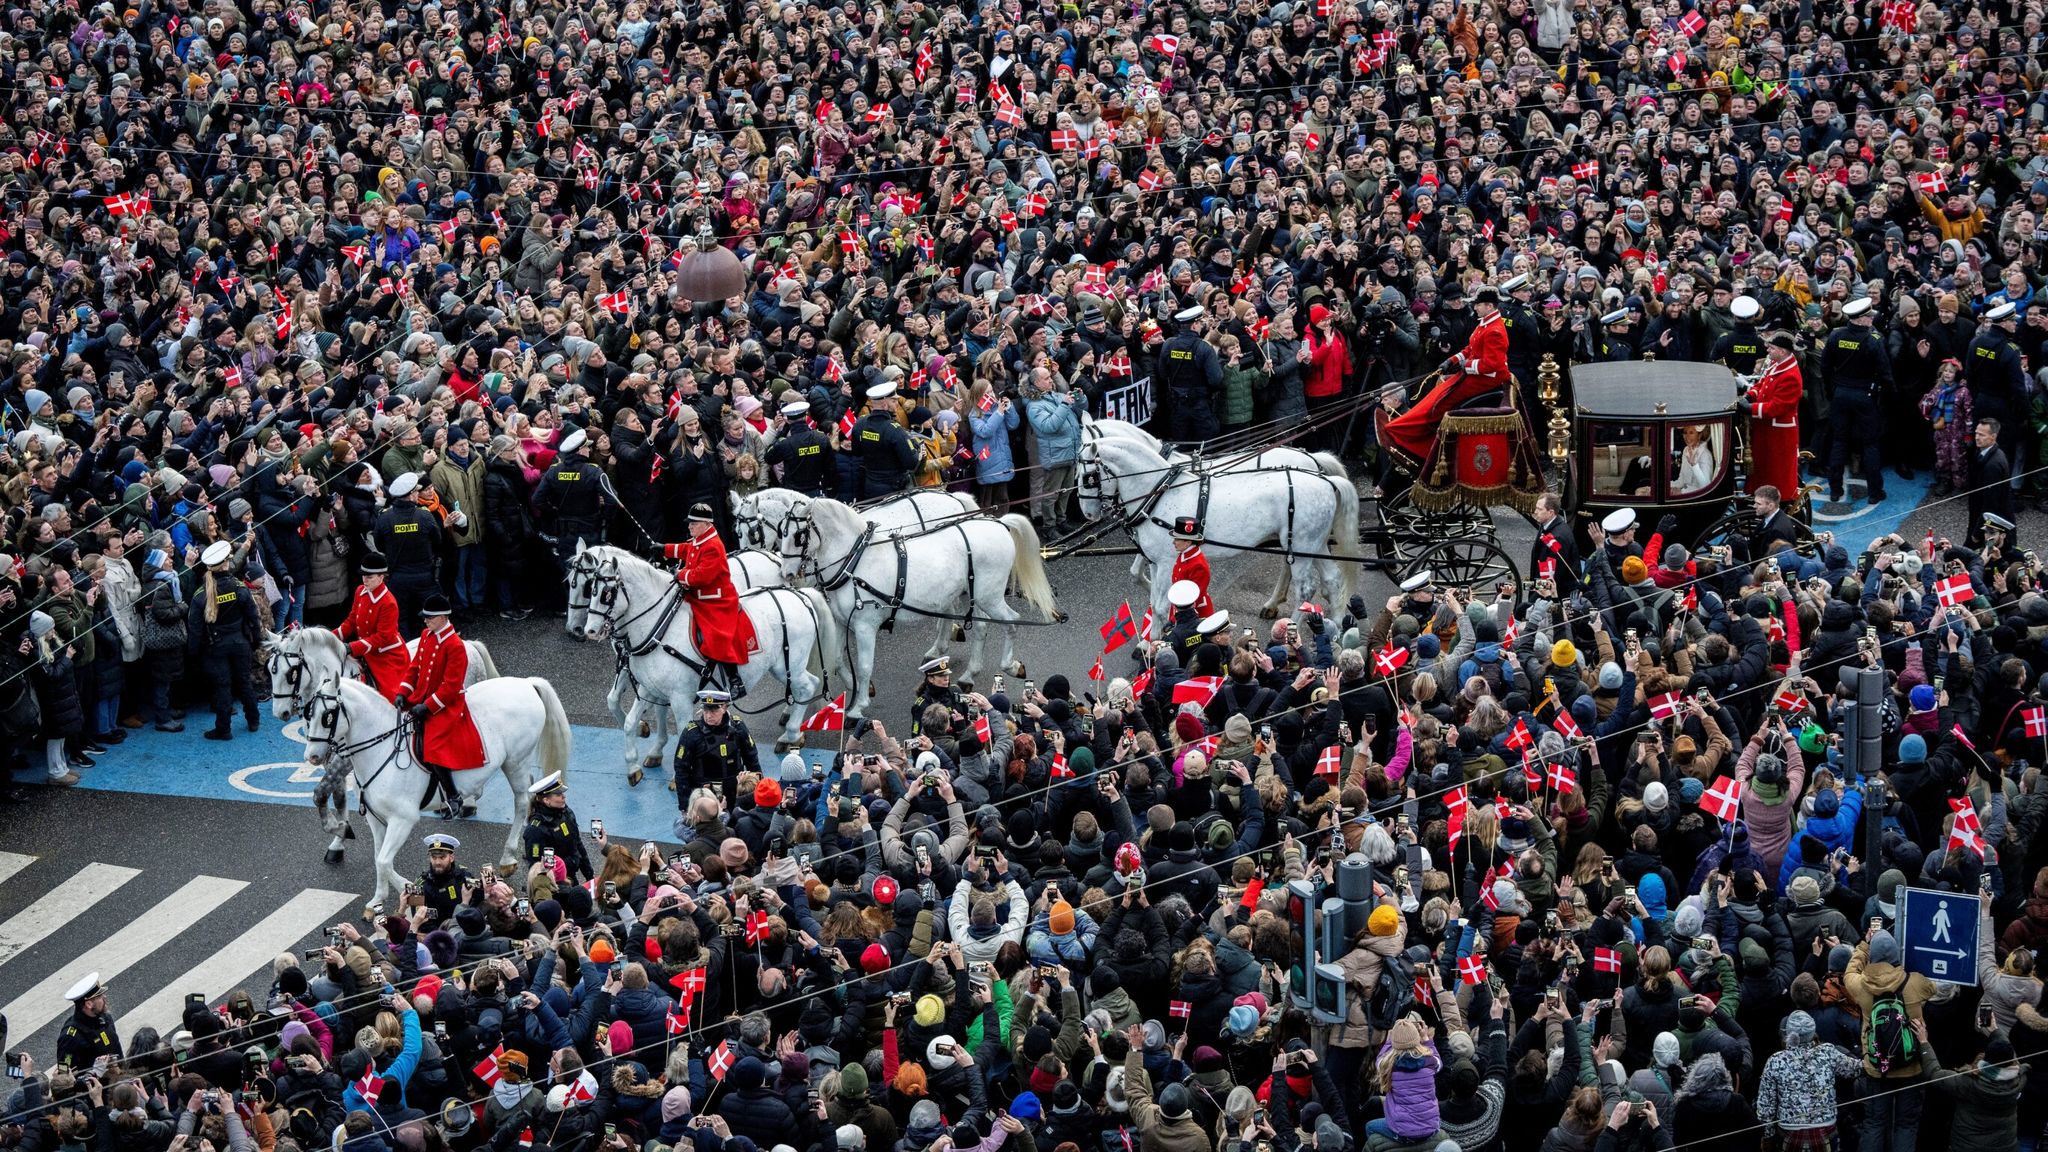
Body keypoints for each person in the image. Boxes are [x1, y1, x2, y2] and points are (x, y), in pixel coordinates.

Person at [1383, 284, 1511, 463]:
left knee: (1440, 400)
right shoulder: (1485, 324)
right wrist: (1452, 360)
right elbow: (1470, 348)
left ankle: (1413, 437)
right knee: (1437, 392)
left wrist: (1465, 366)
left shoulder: (1494, 330)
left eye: (1478, 305)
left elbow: (1491, 364)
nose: (1474, 307)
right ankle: (1404, 428)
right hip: (1477, 375)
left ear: (1489, 306)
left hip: (1485, 380)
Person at [394, 594, 486, 819]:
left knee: (432, 746)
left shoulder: (455, 645)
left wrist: (427, 707)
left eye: (430, 618)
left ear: (443, 617)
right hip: (422, 697)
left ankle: (452, 796)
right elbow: (415, 668)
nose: (425, 621)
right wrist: (403, 692)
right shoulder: (427, 635)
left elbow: (451, 686)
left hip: (446, 705)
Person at [660, 503, 759, 695]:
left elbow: (701, 577)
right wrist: (664, 549)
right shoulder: (701, 538)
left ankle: (735, 680)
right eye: (689, 522)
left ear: (706, 524)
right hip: (698, 596)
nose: (689, 526)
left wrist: (679, 574)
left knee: (716, 636)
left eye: (694, 523)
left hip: (716, 601)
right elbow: (687, 550)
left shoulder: (713, 546)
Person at [1820, 297, 1893, 505]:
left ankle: (1835, 490)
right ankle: (1875, 492)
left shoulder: (1836, 336)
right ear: (1860, 319)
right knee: (1870, 445)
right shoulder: (1874, 340)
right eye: (1868, 316)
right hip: (1864, 395)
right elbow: (1885, 373)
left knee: (1839, 441)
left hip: (1840, 393)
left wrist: (1831, 391)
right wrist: (1890, 397)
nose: (1871, 319)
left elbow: (1825, 367)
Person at [188, 540, 261, 742]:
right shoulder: (239, 588)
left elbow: (195, 629)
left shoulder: (201, 595)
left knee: (222, 687)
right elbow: (254, 619)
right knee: (244, 682)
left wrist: (193, 654)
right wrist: (255, 641)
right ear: (227, 563)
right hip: (240, 643)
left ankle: (223, 729)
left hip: (215, 647)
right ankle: (253, 720)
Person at [532, 428, 614, 591]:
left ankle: (569, 609)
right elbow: (612, 500)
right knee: (591, 572)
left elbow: (537, 499)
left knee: (571, 574)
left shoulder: (554, 470)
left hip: (565, 530)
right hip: (590, 529)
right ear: (579, 450)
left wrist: (554, 511)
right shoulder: (593, 471)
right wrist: (605, 519)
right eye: (587, 447)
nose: (589, 449)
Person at [374, 472, 444, 635]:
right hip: (425, 575)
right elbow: (438, 540)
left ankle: (405, 654)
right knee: (430, 618)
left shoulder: (385, 517)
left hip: (398, 577)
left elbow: (379, 545)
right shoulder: (425, 516)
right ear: (412, 495)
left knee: (400, 619)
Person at [335, 553, 409, 701]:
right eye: (364, 576)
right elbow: (352, 621)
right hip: (365, 649)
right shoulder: (360, 591)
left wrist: (352, 647)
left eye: (370, 577)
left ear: (381, 578)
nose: (365, 580)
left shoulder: (388, 603)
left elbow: (383, 638)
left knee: (389, 697)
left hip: (386, 655)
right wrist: (331, 637)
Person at [674, 689, 759, 810]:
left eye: (714, 710)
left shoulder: (738, 727)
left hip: (736, 795)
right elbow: (681, 771)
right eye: (706, 710)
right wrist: (685, 806)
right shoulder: (692, 733)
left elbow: (752, 761)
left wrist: (760, 793)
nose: (709, 715)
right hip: (705, 799)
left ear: (725, 708)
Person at [1746, 333, 1804, 501]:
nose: (1767, 349)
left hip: (1779, 435)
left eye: (1771, 348)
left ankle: (1780, 502)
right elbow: (1762, 384)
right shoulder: (1774, 363)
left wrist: (1751, 408)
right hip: (1766, 429)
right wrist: (1750, 395)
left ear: (1783, 351)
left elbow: (1777, 407)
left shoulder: (1791, 376)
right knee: (1764, 470)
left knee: (1776, 473)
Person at [1155, 306, 1223, 443]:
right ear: (1194, 325)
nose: (1201, 325)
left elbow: (1162, 373)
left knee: (1181, 447)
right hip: (1200, 405)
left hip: (1177, 404)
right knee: (1205, 448)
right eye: (1199, 322)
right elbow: (1216, 380)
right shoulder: (1204, 348)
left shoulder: (1169, 344)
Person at [520, 771, 594, 884]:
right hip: (554, 883)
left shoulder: (566, 813)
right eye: (558, 795)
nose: (564, 796)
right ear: (546, 800)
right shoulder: (535, 830)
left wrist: (589, 875)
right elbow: (535, 864)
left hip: (570, 877)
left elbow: (577, 844)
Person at [853, 383, 919, 498]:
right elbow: (911, 463)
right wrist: (915, 448)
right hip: (894, 490)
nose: (897, 404)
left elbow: (857, 452)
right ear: (884, 404)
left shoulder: (860, 423)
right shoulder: (894, 429)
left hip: (870, 486)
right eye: (893, 401)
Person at [763, 401, 833, 497]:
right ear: (805, 417)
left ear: (788, 420)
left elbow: (768, 457)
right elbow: (830, 468)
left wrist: (781, 434)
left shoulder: (785, 443)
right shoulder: (821, 438)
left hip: (794, 495)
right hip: (817, 491)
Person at [1967, 418, 2016, 550]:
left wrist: (1977, 533)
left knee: (1984, 557)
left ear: (1993, 437)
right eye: (1976, 433)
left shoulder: (1993, 466)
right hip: (1981, 517)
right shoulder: (1984, 452)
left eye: (1982, 435)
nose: (1977, 437)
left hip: (1990, 526)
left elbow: (1991, 504)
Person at [55, 973, 118, 1070]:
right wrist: (95, 1072)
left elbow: (116, 1049)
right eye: (100, 997)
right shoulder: (70, 1038)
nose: (104, 998)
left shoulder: (105, 1019)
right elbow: (64, 1072)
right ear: (89, 1004)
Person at [412, 832, 474, 928]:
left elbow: (477, 901)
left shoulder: (464, 875)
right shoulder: (419, 885)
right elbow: (419, 921)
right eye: (433, 857)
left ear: (451, 857)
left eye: (442, 857)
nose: (437, 862)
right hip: (438, 936)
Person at [1168, 519, 1216, 618]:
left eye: (1177, 539)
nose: (1173, 542)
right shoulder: (1184, 554)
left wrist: (1176, 619)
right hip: (1180, 609)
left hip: (1195, 615)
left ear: (1188, 543)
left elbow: (1193, 598)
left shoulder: (1198, 565)